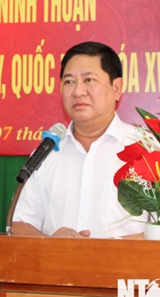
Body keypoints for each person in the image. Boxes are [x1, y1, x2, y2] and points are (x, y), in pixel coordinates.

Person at [12, 41, 147, 239]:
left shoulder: (147, 149)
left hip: (128, 270)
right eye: (69, 82)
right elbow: (19, 226)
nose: (77, 91)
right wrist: (50, 244)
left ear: (116, 88)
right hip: (56, 268)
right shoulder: (45, 153)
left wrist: (99, 254)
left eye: (89, 80)